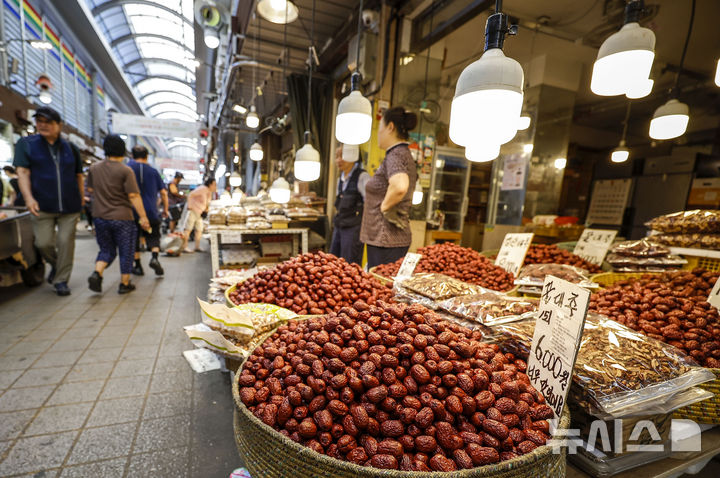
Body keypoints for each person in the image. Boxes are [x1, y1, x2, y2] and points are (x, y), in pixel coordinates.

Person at [12, 107, 84, 296]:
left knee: (65, 242)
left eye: (48, 122)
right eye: (39, 121)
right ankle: (56, 265)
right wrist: (28, 198)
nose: (43, 125)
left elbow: (79, 176)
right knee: (43, 243)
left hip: (70, 205)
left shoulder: (71, 148)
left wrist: (81, 199)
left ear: (59, 125)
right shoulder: (26, 144)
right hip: (41, 204)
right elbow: (22, 172)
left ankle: (61, 280)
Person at [86, 135, 150, 294]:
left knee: (106, 249)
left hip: (100, 217)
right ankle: (124, 283)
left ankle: (97, 272)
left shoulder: (94, 168)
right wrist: (143, 217)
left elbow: (90, 190)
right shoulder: (125, 170)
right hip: (123, 218)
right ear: (122, 151)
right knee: (126, 251)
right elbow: (134, 196)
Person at [360, 106, 418, 268]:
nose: (378, 133)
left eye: (380, 128)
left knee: (381, 288)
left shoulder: (396, 154)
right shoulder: (400, 153)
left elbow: (400, 185)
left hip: (386, 238)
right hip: (388, 239)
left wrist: (383, 207)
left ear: (390, 127)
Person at [127, 145, 168, 276]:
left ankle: (138, 266)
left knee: (134, 238)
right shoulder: (154, 172)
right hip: (151, 210)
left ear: (132, 156)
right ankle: (154, 258)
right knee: (154, 236)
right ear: (147, 156)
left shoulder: (128, 170)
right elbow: (163, 193)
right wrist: (165, 209)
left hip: (132, 211)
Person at [330, 145, 369, 265]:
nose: (338, 160)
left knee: (349, 264)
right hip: (340, 225)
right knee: (333, 261)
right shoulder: (340, 179)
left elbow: (370, 203)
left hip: (354, 228)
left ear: (353, 156)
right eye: (336, 157)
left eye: (341, 156)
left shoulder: (362, 177)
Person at [182, 177, 216, 253]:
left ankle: (197, 246)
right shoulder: (202, 189)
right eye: (214, 184)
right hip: (193, 210)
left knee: (199, 229)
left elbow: (207, 202)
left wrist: (206, 210)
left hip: (200, 213)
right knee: (188, 229)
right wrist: (190, 206)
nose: (215, 186)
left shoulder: (209, 192)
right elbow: (191, 195)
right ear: (210, 184)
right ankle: (184, 246)